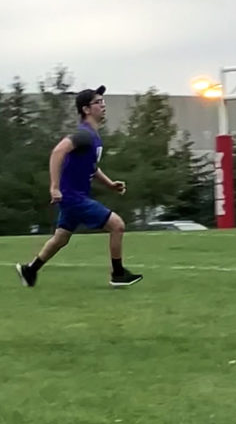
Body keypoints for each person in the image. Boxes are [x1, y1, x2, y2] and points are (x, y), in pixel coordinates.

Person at [15, 85, 143, 289]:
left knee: (61, 238)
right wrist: (54, 187)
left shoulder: (93, 137)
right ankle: (118, 274)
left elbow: (91, 166)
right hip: (73, 197)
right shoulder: (84, 135)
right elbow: (58, 152)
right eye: (98, 103)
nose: (103, 106)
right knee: (117, 225)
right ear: (86, 109)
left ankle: (30, 271)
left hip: (74, 196)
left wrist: (110, 184)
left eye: (103, 102)